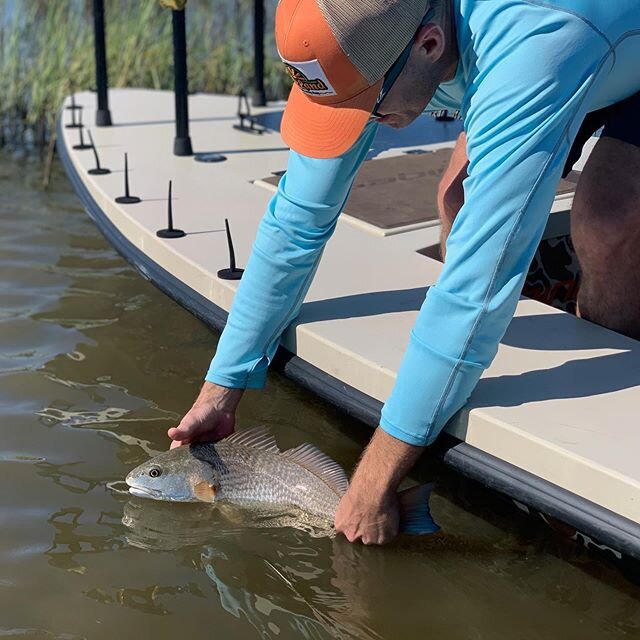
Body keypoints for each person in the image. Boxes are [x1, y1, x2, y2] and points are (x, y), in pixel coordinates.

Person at [168, 0, 640, 544]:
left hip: (590, 38)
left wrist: (373, 480)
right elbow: (296, 220)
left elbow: (476, 285)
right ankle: (447, 381)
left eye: (366, 108)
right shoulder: (363, 32)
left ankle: (610, 413)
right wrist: (220, 389)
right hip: (545, 52)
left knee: (609, 222)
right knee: (457, 201)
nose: (358, 126)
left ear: (430, 44)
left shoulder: (536, 40)